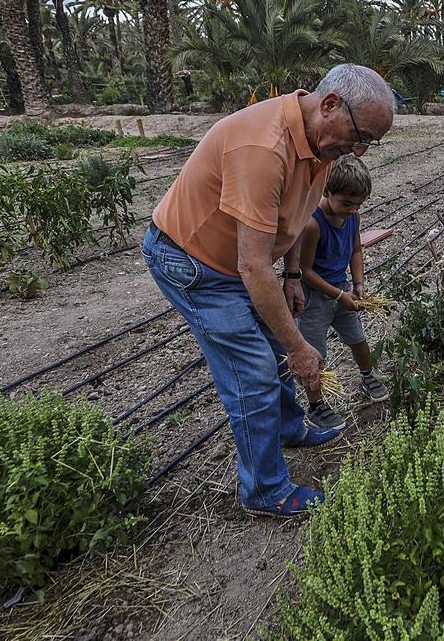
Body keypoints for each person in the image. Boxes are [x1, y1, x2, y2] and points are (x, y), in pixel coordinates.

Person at [142, 64, 395, 518]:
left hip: (238, 263)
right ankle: (264, 489)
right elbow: (253, 263)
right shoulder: (263, 147)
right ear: (330, 104)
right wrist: (301, 348)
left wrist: (294, 276)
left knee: (277, 346)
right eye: (360, 136)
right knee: (256, 370)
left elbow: (297, 217)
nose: (359, 149)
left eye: (370, 143)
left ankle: (289, 427)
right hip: (194, 262)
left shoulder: (321, 144)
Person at [295, 154, 390, 430]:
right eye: (347, 203)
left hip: (342, 291)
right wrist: (338, 296)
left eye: (358, 204)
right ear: (326, 191)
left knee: (358, 339)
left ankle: (368, 375)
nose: (352, 209)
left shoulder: (352, 217)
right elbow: (305, 272)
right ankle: (316, 405)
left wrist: (358, 283)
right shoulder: (313, 224)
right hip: (314, 298)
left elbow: (356, 249)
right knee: (314, 353)